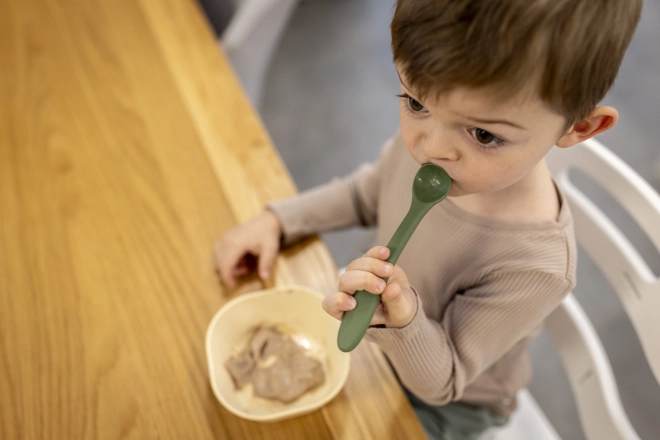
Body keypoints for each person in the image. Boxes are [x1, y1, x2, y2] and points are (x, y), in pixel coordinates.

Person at [214, 0, 642, 438]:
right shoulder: (441, 137)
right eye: (415, 102)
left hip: (451, 406)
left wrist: (400, 321)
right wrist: (279, 221)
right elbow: (365, 194)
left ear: (579, 128)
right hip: (387, 336)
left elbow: (447, 381)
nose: (430, 147)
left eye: (484, 134)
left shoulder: (536, 265)